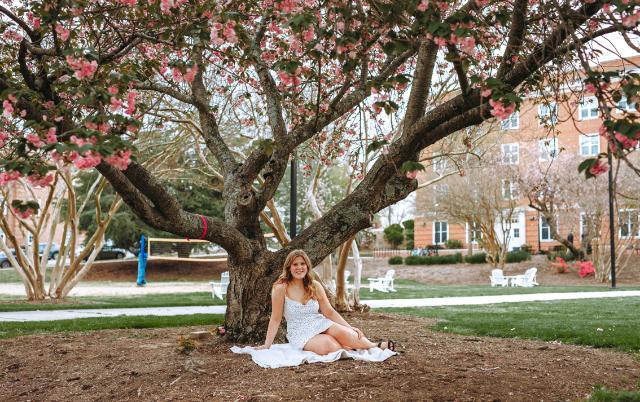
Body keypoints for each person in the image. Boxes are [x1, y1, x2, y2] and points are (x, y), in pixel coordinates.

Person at [255, 249, 395, 355]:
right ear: (289, 267)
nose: (299, 267)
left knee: (347, 334)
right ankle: (351, 347)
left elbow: (329, 311)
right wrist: (267, 345)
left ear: (307, 266)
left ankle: (375, 345)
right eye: (295, 264)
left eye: (302, 263)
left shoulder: (314, 285)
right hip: (299, 332)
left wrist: (349, 327)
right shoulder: (280, 288)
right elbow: (275, 318)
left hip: (319, 322)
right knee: (329, 345)